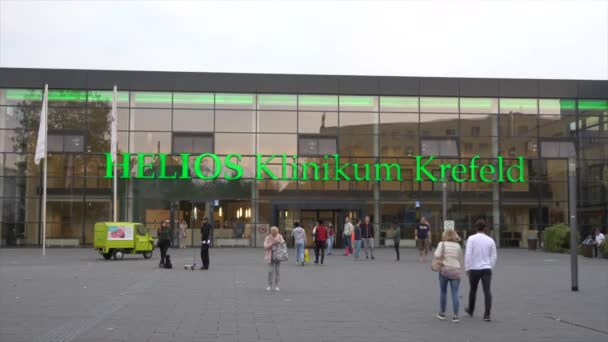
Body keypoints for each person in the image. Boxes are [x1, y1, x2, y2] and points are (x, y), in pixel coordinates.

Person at [464, 219, 497, 322]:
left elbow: (468, 254)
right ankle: (487, 314)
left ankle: (471, 309)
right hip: (486, 268)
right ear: (485, 228)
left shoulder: (471, 239)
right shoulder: (490, 240)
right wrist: (490, 265)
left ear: (475, 227)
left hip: (474, 268)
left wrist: (467, 267)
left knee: (473, 290)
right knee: (487, 291)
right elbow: (494, 255)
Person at [435, 228, 464, 323]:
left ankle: (442, 313)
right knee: (455, 293)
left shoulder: (441, 244)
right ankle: (455, 316)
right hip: (455, 270)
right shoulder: (457, 245)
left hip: (444, 270)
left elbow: (436, 255)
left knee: (443, 292)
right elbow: (460, 257)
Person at [264, 226, 285, 291]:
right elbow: (265, 247)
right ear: (271, 232)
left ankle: (277, 285)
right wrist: (272, 244)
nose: (275, 234)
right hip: (270, 257)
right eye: (274, 233)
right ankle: (269, 285)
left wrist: (279, 241)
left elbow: (283, 242)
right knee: (270, 271)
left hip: (278, 256)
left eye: (276, 233)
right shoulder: (268, 238)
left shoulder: (279, 236)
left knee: (277, 271)